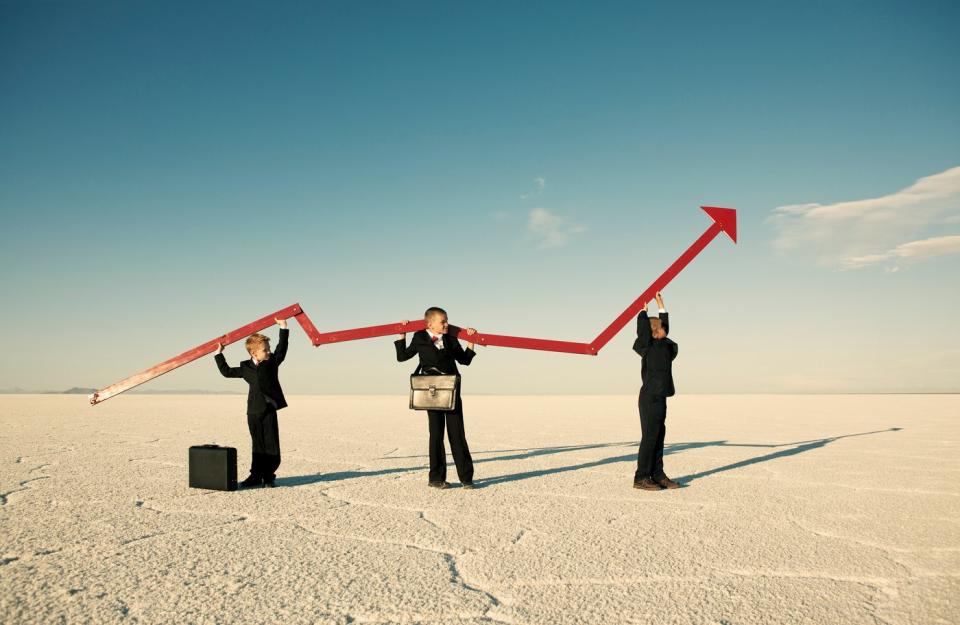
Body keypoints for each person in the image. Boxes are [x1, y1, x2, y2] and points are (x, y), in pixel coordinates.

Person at [395, 307, 478, 489]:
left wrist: (471, 341)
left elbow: (465, 360)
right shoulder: (419, 337)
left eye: (447, 320)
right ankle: (436, 478)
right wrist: (402, 335)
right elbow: (402, 357)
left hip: (451, 392)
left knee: (457, 434)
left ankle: (466, 479)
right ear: (430, 324)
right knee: (436, 435)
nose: (447, 324)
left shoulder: (450, 338)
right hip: (431, 393)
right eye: (443, 322)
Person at [215, 318, 289, 488]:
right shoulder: (246, 368)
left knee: (271, 444)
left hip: (269, 409)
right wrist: (219, 354)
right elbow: (226, 372)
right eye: (265, 349)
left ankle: (269, 476)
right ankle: (255, 476)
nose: (268, 352)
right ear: (254, 353)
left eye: (268, 348)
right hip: (253, 411)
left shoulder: (272, 363)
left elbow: (281, 350)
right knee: (257, 445)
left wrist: (283, 327)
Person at [632, 291, 681, 491]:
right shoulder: (647, 347)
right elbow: (643, 334)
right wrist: (643, 313)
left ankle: (658, 474)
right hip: (649, 398)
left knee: (659, 435)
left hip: (660, 397)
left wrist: (662, 306)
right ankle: (641, 477)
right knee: (650, 437)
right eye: (661, 328)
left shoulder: (665, 347)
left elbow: (665, 327)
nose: (665, 330)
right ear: (653, 332)